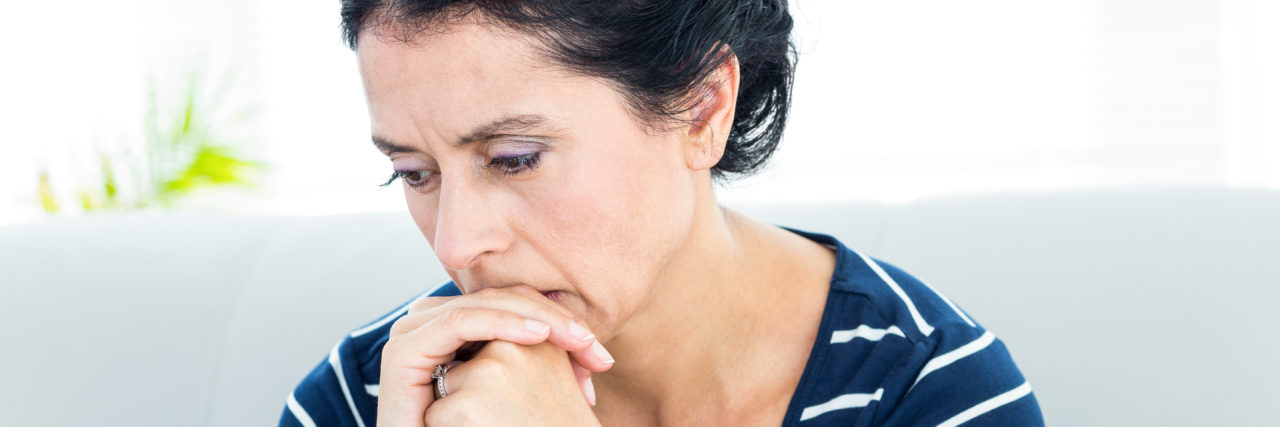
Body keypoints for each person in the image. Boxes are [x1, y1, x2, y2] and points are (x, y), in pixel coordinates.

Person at [280, 0, 1044, 425]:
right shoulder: (372, 395)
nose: (458, 243)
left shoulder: (928, 391)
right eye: (414, 173)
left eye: (515, 158)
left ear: (703, 108)